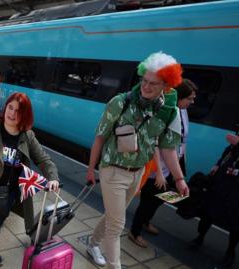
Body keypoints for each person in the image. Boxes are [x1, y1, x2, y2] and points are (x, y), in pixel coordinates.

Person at [84, 52, 190, 269]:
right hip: (113, 169)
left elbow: (168, 148)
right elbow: (100, 136)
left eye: (154, 83)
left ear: (166, 87)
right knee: (117, 225)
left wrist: (179, 179)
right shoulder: (120, 103)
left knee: (114, 216)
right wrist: (90, 169)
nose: (146, 87)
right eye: (145, 81)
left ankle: (92, 243)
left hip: (137, 173)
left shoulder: (167, 113)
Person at [0, 92, 60, 269]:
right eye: (10, 107)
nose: (12, 113)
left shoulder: (27, 136)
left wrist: (53, 178)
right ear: (5, 107)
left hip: (10, 198)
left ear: (25, 115)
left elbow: (44, 160)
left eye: (18, 110)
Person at [128, 79, 197, 248]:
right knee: (148, 202)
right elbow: (156, 144)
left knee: (159, 199)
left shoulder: (183, 111)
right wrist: (159, 171)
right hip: (156, 170)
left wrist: (180, 167)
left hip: (171, 168)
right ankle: (134, 232)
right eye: (190, 98)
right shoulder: (167, 112)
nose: (192, 102)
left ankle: (145, 222)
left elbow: (181, 142)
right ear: (180, 97)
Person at [190, 133, 239, 268]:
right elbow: (225, 156)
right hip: (220, 185)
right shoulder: (232, 146)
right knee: (209, 213)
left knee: (235, 222)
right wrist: (217, 165)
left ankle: (230, 252)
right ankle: (200, 237)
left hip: (236, 192)